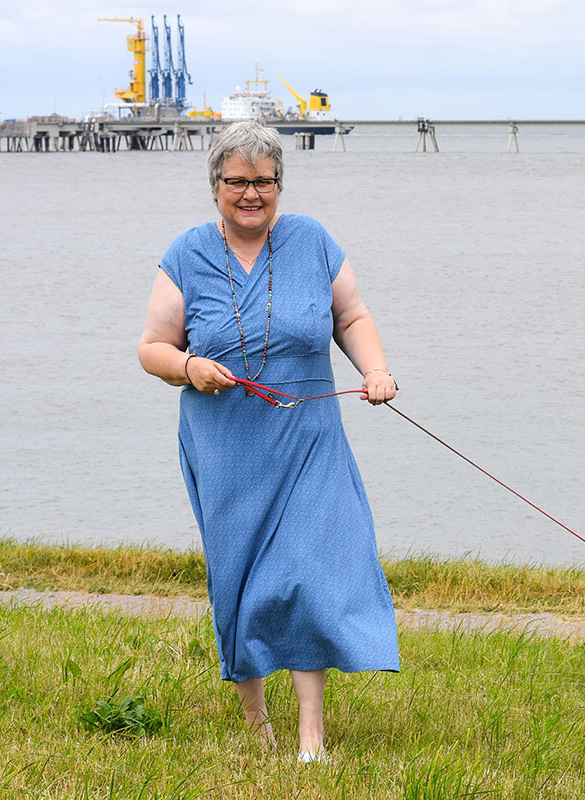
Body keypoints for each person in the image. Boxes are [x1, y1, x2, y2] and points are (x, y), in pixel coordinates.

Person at [138, 121, 400, 763]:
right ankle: (257, 725)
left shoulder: (313, 240)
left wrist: (375, 370)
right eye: (237, 181)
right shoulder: (186, 254)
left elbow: (351, 316)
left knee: (309, 572)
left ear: (280, 184)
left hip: (309, 438)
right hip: (226, 443)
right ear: (215, 186)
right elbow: (152, 348)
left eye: (264, 181)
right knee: (242, 578)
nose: (251, 193)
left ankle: (311, 737)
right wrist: (188, 367)